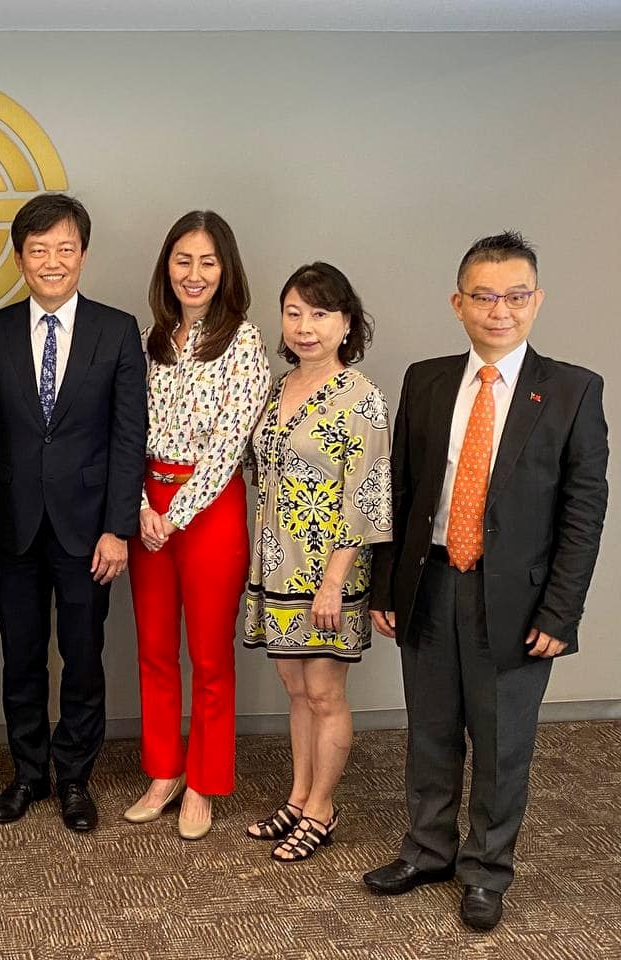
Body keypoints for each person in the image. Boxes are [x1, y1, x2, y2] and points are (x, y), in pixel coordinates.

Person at [364, 232, 608, 930]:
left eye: (516, 296)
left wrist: (561, 613)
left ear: (537, 300)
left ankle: (485, 871)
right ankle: (427, 850)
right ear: (458, 303)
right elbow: (400, 492)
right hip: (431, 583)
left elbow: (583, 511)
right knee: (430, 731)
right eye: (484, 296)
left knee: (501, 744)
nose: (500, 311)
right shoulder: (427, 380)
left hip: (519, 600)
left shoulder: (572, 390)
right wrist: (386, 587)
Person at [0, 193, 147, 833]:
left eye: (65, 249)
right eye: (38, 249)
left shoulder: (117, 329)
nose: (52, 261)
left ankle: (74, 777)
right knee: (20, 658)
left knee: (82, 657)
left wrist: (117, 529)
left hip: (88, 530)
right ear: (20, 259)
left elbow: (129, 436)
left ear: (83, 255)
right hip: (13, 527)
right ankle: (27, 774)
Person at [124, 211, 271, 840]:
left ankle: (204, 782)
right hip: (146, 505)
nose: (194, 273)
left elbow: (228, 446)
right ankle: (164, 771)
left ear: (225, 269)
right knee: (155, 649)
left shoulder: (245, 343)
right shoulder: (150, 341)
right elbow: (126, 430)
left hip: (209, 508)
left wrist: (172, 515)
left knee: (209, 655)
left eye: (207, 262)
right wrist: (141, 508)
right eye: (183, 260)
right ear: (167, 268)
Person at [242, 262, 391, 860]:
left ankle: (323, 809)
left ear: (346, 323)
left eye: (320, 313)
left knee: (325, 693)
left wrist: (333, 581)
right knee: (296, 689)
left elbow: (368, 494)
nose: (305, 326)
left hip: (329, 572)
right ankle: (299, 796)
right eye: (294, 313)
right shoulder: (278, 388)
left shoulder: (362, 397)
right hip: (277, 564)